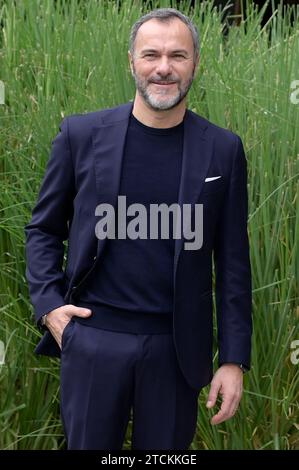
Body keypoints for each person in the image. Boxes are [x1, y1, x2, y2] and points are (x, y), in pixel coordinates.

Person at [24, 7, 252, 450]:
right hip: (92, 340)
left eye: (177, 55)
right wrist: (50, 307)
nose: (163, 68)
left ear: (195, 64)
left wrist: (233, 359)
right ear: (131, 61)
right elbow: (44, 229)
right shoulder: (80, 135)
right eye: (151, 54)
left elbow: (233, 263)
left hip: (176, 350)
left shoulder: (222, 149)